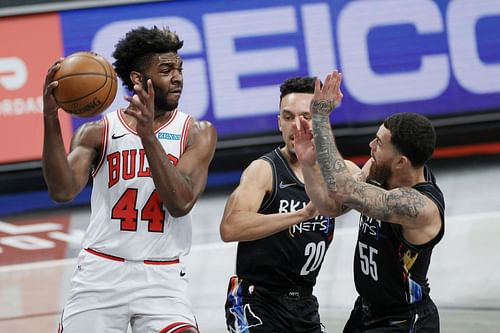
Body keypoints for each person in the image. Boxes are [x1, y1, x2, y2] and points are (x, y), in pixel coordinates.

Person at [42, 26, 217, 333]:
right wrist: (50, 119)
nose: (178, 77)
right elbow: (62, 190)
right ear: (138, 79)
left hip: (161, 277)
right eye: (166, 70)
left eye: (179, 68)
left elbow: (180, 202)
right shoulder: (98, 132)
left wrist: (147, 134)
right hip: (101, 271)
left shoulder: (197, 132)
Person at [293, 71, 445, 332]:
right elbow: (331, 206)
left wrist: (320, 119)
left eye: (380, 143)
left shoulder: (418, 206)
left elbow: (343, 188)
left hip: (403, 321)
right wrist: (308, 163)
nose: (371, 144)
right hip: (365, 311)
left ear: (401, 161)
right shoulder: (378, 170)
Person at [219, 76, 359, 333]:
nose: (296, 126)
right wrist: (300, 215)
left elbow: (359, 189)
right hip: (256, 301)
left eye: (306, 116)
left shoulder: (342, 171)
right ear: (279, 123)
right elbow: (230, 227)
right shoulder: (264, 170)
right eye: (288, 117)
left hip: (304, 302)